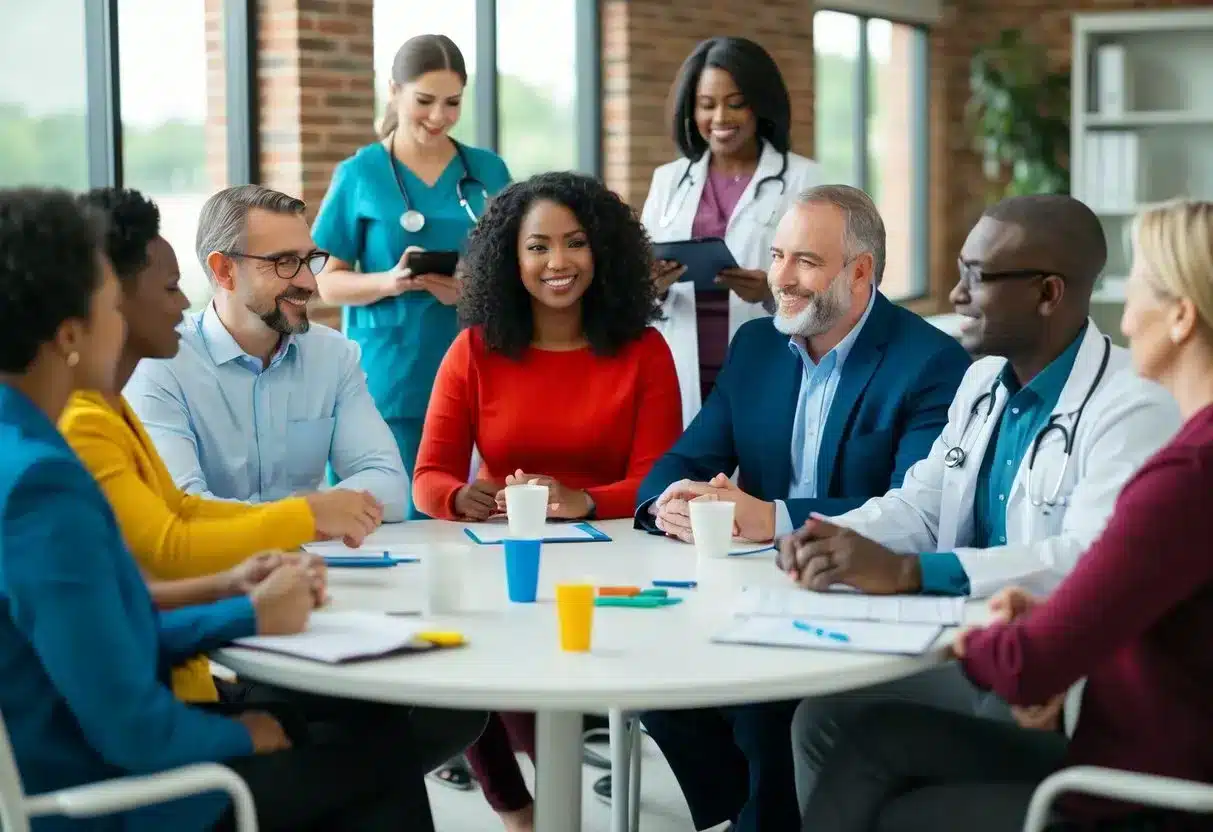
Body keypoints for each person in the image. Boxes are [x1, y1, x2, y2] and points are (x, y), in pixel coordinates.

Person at [0, 187, 437, 831]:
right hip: (109, 795)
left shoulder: (29, 446)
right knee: (383, 760)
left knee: (360, 738)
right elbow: (130, 727)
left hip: (111, 746)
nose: (129, 321)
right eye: (108, 307)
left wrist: (237, 597)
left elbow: (106, 627)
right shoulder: (43, 482)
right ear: (71, 333)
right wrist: (244, 738)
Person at [797, 198, 1213, 832]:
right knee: (850, 733)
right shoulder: (984, 380)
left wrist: (924, 584)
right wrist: (829, 538)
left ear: (1182, 316)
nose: (1125, 317)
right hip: (1090, 695)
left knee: (894, 812)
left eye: (1142, 292)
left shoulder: (1178, 461)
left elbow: (1067, 595)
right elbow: (923, 502)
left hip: (1128, 784)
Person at [626, 185, 970, 832]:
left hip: (857, 594)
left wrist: (772, 515)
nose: (780, 278)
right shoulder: (757, 347)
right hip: (753, 586)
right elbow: (681, 461)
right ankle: (746, 816)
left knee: (761, 703)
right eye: (777, 255)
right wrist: (666, 505)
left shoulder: (931, 363)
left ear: (860, 271)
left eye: (805, 261)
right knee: (656, 681)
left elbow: (912, 510)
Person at [412, 171, 682, 831]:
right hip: (505, 557)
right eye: (537, 247)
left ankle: (548, 798)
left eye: (575, 244)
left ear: (603, 253)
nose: (557, 263)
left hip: (616, 563)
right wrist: (459, 497)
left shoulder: (645, 352)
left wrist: (582, 500)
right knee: (463, 651)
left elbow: (657, 483)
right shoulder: (474, 351)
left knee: (537, 684)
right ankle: (518, 813)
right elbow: (428, 477)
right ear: (511, 258)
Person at [312, 33, 511, 520]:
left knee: (471, 522)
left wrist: (470, 288)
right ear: (394, 91)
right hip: (389, 376)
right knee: (382, 519)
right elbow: (325, 280)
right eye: (425, 101)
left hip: (479, 368)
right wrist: (391, 281)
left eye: (452, 103)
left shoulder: (487, 171)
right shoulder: (360, 173)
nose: (439, 116)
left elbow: (517, 267)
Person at [124, 184, 409, 524]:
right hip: (216, 574)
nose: (308, 282)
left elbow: (390, 488)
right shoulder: (162, 363)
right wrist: (307, 516)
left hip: (315, 570)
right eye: (285, 262)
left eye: (308, 261)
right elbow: (180, 510)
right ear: (224, 271)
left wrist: (299, 518)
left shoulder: (333, 355)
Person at [642, 36, 821, 427]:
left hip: (769, 355)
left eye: (736, 103)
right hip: (681, 359)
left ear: (761, 104)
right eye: (707, 105)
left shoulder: (803, 179)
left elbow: (829, 282)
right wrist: (650, 284)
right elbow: (636, 282)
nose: (720, 118)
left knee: (756, 477)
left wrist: (771, 293)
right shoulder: (669, 181)